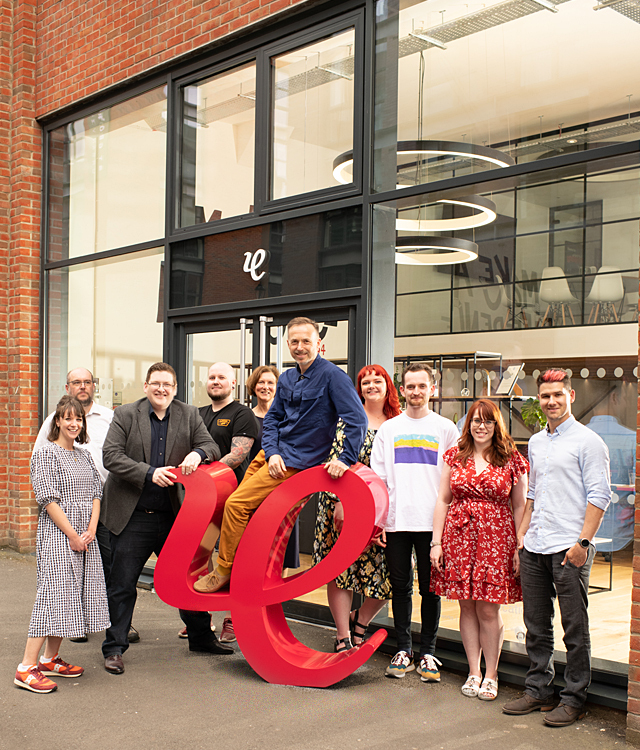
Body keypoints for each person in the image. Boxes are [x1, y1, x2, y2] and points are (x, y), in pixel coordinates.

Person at [194, 316, 367, 593]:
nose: (300, 346)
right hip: (272, 456)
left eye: (306, 341)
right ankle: (247, 570)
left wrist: (344, 459)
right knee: (247, 511)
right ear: (288, 344)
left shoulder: (334, 377)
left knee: (236, 505)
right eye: (295, 341)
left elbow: (356, 419)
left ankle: (224, 570)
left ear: (319, 344)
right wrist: (272, 452)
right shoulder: (286, 377)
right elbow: (273, 420)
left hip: (295, 463)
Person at [100, 363, 233, 675]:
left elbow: (211, 445)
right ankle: (114, 648)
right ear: (146, 386)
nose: (161, 389)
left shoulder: (188, 414)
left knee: (186, 578)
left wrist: (197, 455)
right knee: (122, 584)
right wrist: (149, 473)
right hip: (132, 516)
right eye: (155, 383)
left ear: (175, 389)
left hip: (173, 516)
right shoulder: (126, 415)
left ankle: (200, 637)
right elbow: (111, 456)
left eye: (168, 385)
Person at [503, 368, 611, 727]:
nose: (551, 402)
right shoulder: (536, 442)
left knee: (574, 628)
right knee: (536, 624)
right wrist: (521, 535)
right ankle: (538, 690)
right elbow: (532, 494)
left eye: (557, 395)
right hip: (535, 545)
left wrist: (583, 543)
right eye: (545, 396)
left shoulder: (589, 442)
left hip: (569, 548)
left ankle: (574, 697)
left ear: (571, 397)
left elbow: (600, 495)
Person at [33, 368, 140, 644]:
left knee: (105, 569)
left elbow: (111, 468)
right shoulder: (49, 435)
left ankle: (117, 625)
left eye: (87, 382)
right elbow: (45, 487)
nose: (83, 386)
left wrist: (91, 525)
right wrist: (70, 532)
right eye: (77, 382)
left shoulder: (108, 417)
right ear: (68, 387)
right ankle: (66, 633)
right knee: (59, 586)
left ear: (94, 385)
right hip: (64, 516)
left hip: (103, 506)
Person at [430, 399, 528, 701]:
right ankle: (473, 671)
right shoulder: (454, 456)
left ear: (497, 425)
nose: (481, 426)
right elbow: (443, 500)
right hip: (459, 538)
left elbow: (521, 505)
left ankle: (491, 674)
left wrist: (519, 545)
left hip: (497, 540)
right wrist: (436, 542)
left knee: (488, 607)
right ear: (468, 425)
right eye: (475, 420)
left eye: (487, 421)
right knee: (466, 605)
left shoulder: (511, 458)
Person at [15, 396, 109, 693]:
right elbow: (48, 499)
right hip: (59, 533)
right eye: (68, 418)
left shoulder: (84, 455)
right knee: (52, 594)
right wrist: (71, 534)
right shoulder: (46, 454)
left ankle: (49, 658)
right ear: (57, 421)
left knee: (71, 594)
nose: (73, 423)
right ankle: (26, 667)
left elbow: (97, 492)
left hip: (85, 535)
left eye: (78, 419)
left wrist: (91, 529)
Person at [370, 363, 458, 681]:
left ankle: (429, 654)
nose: (416, 392)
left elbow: (453, 481)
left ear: (432, 389)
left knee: (431, 590)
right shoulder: (389, 430)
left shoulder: (447, 430)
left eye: (423, 386)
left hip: (433, 523)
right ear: (402, 389)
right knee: (401, 588)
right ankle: (404, 649)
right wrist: (379, 520)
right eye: (411, 386)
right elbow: (378, 478)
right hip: (396, 521)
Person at [313, 365, 400, 652]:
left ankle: (360, 621)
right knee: (342, 570)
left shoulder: (398, 423)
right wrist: (341, 502)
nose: (371, 386)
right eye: (365, 382)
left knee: (392, 574)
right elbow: (337, 461)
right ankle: (343, 636)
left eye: (378, 381)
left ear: (388, 385)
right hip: (342, 502)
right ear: (358, 388)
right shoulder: (348, 418)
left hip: (383, 510)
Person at [191, 361, 260, 644]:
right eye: (211, 377)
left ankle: (232, 619)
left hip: (234, 500)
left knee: (233, 559)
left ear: (233, 383)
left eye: (222, 377)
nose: (215, 381)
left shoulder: (242, 414)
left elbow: (237, 455)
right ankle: (200, 618)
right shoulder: (197, 414)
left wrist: (207, 470)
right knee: (201, 556)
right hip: (201, 501)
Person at [246, 364, 300, 569]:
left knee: (282, 549)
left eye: (271, 383)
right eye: (261, 382)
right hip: (254, 490)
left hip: (283, 491)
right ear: (254, 386)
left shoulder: (289, 419)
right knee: (255, 550)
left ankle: (278, 598)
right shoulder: (246, 417)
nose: (265, 387)